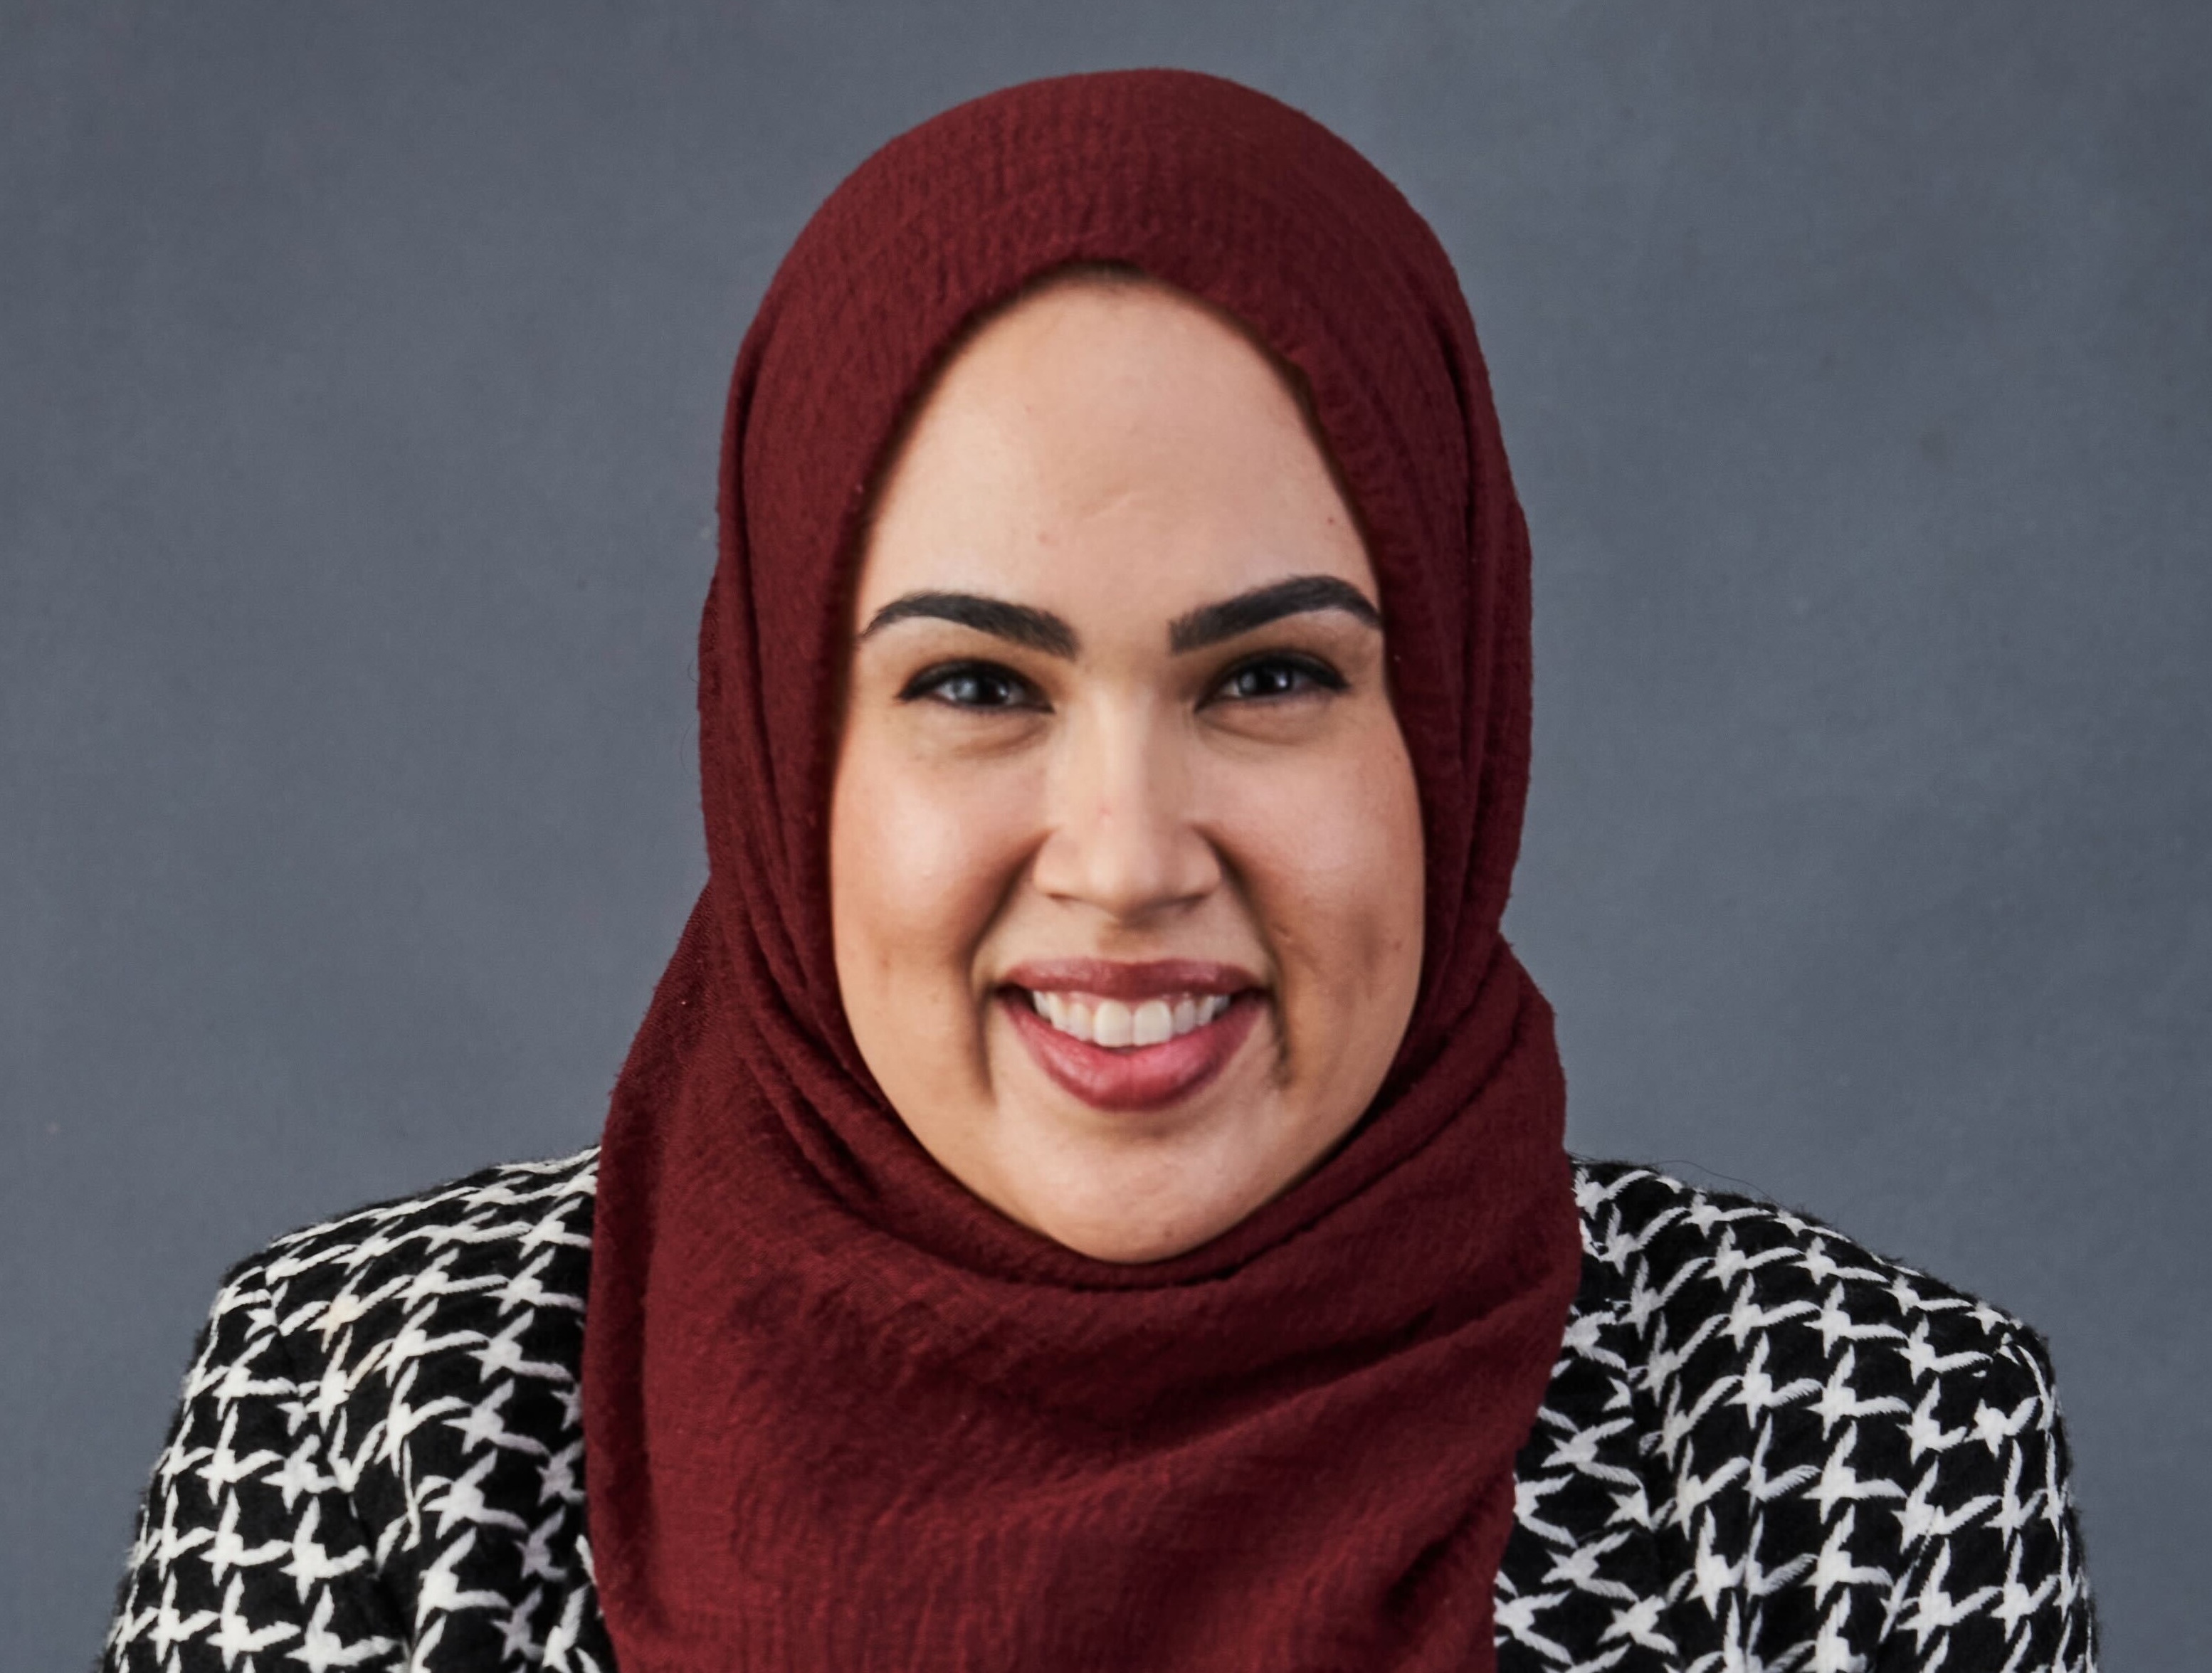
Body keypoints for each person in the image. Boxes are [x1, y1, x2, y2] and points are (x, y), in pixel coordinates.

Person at [100, 70, 2095, 1673]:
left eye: (1271, 677)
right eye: (977, 684)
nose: (1127, 860)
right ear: (786, 753)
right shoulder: (369, 1423)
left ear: (1452, 727)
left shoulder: (1844, 1451)